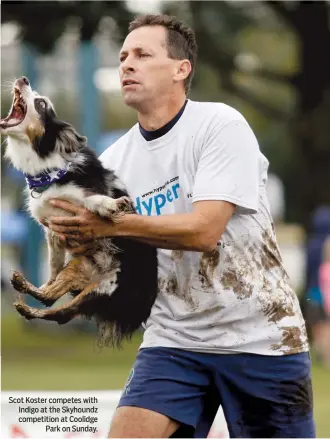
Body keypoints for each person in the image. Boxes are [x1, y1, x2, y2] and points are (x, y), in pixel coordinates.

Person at [47, 14, 315, 438]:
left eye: (142, 54)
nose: (127, 65)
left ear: (180, 69)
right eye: (122, 57)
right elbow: (112, 256)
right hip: (174, 339)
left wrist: (111, 228)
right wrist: (71, 241)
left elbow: (204, 232)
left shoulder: (219, 126)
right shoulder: (113, 162)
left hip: (260, 337)